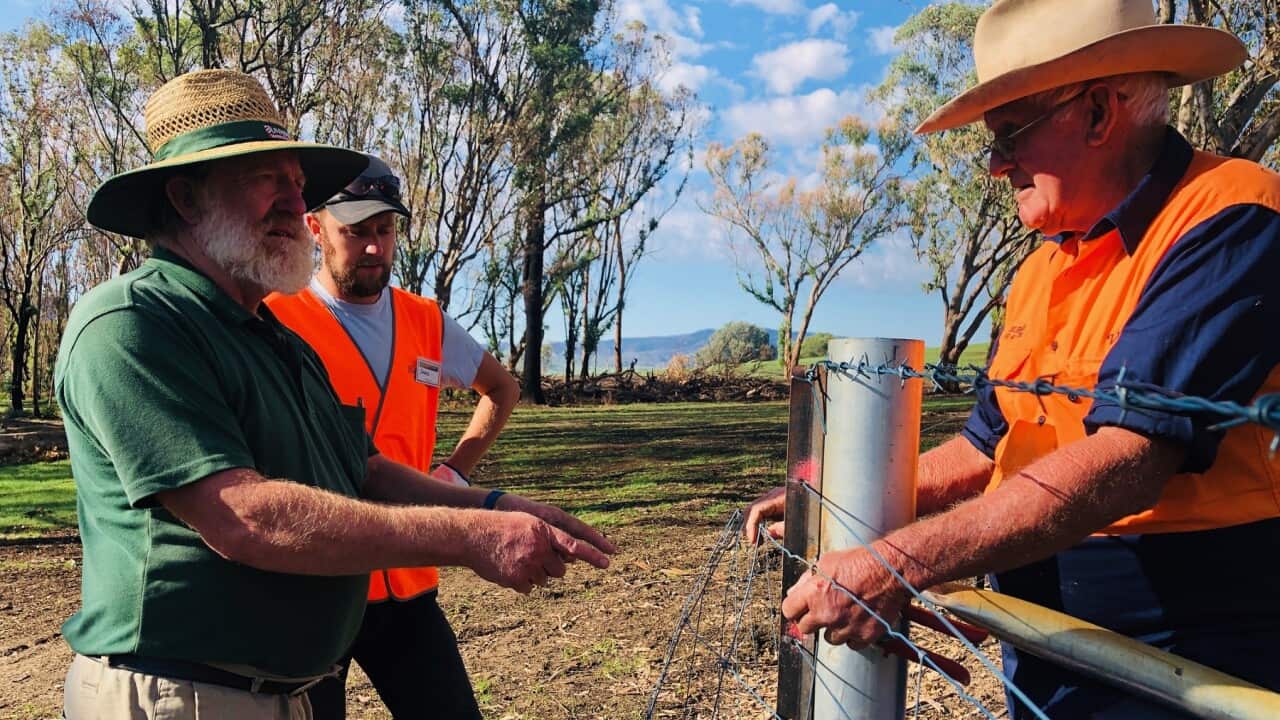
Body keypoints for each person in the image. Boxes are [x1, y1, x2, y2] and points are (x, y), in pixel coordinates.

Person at [744, 1, 1280, 717]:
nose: (996, 165)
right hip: (1043, 645)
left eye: (1011, 134)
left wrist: (897, 564)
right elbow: (982, 446)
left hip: (1193, 654)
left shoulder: (1230, 215)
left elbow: (1131, 457)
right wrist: (827, 499)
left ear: (1097, 112)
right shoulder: (1038, 272)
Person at [56, 68, 615, 720]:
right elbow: (245, 518)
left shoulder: (274, 338)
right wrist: (470, 535)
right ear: (185, 196)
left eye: (298, 185)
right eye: (268, 180)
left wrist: (497, 503)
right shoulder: (133, 322)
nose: (296, 204)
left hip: (280, 696)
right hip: (177, 698)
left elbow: (364, 470)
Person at [265, 155, 516, 719]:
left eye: (385, 230)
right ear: (315, 228)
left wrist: (453, 472)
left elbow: (501, 389)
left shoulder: (425, 319)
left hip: (406, 574)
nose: (375, 247)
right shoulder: (276, 318)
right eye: (356, 232)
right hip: (315, 580)